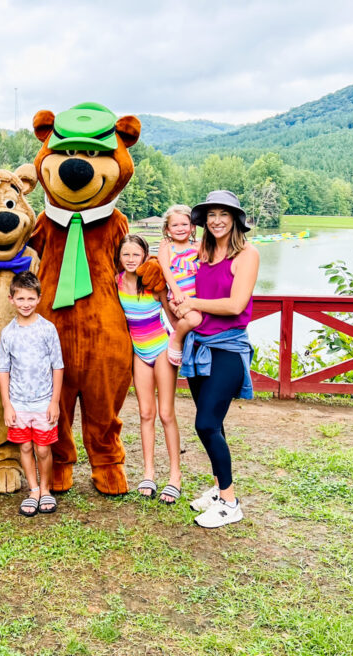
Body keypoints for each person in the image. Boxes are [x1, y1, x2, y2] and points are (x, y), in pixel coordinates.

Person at [173, 190, 259, 529]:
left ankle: (230, 502)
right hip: (199, 346)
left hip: (227, 348)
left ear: (235, 219)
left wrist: (193, 304)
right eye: (211, 215)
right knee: (215, 423)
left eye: (224, 214)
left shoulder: (247, 255)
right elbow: (172, 259)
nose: (217, 220)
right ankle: (219, 488)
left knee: (205, 424)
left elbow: (236, 305)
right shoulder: (204, 252)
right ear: (204, 221)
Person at [115, 235, 182, 505]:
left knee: (166, 414)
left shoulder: (154, 284)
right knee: (145, 413)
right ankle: (148, 473)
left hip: (161, 349)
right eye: (125, 255)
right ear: (119, 257)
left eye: (136, 255)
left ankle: (175, 476)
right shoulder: (116, 283)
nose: (131, 260)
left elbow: (173, 316)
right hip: (139, 353)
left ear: (144, 256)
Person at [0, 271, 64, 517]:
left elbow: (58, 366)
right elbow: (3, 369)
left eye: (30, 299)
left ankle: (46, 489)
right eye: (21, 299)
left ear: (39, 299)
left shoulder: (48, 330)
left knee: (43, 449)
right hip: (18, 403)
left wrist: (54, 402)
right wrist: (7, 405)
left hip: (43, 403)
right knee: (25, 448)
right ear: (11, 299)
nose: (25, 304)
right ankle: (33, 490)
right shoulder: (8, 333)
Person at [156, 205, 202, 367]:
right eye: (175, 225)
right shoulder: (168, 248)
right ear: (167, 230)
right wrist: (176, 292)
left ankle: (194, 357)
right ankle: (176, 339)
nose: (180, 228)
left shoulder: (197, 246)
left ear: (193, 227)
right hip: (179, 296)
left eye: (184, 224)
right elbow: (165, 269)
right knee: (195, 320)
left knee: (202, 325)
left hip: (198, 297)